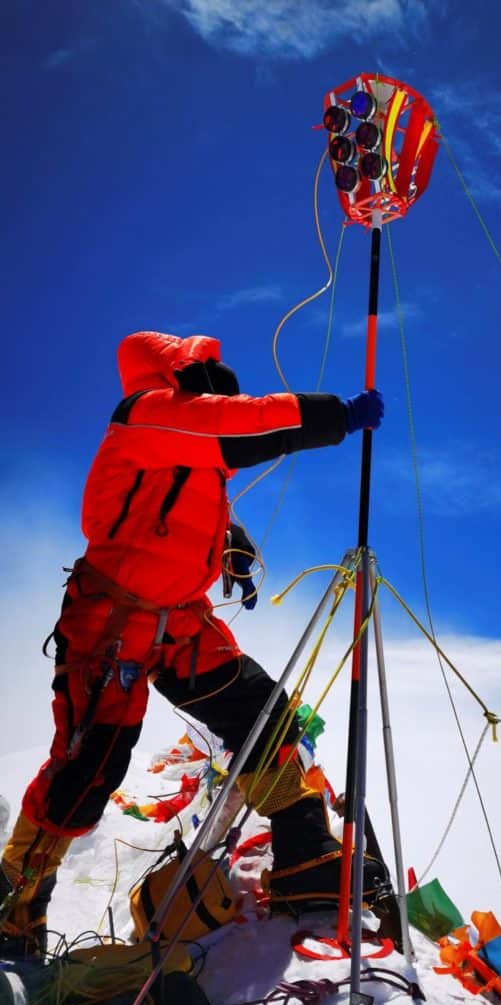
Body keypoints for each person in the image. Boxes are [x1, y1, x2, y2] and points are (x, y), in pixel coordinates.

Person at [0, 330, 387, 957]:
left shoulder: (188, 441)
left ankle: (303, 856)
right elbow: (234, 429)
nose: (217, 385)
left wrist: (227, 545)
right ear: (177, 375)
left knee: (262, 712)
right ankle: (17, 904)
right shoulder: (143, 415)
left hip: (180, 619)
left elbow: (189, 494)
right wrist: (333, 416)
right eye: (205, 374)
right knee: (88, 766)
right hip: (112, 624)